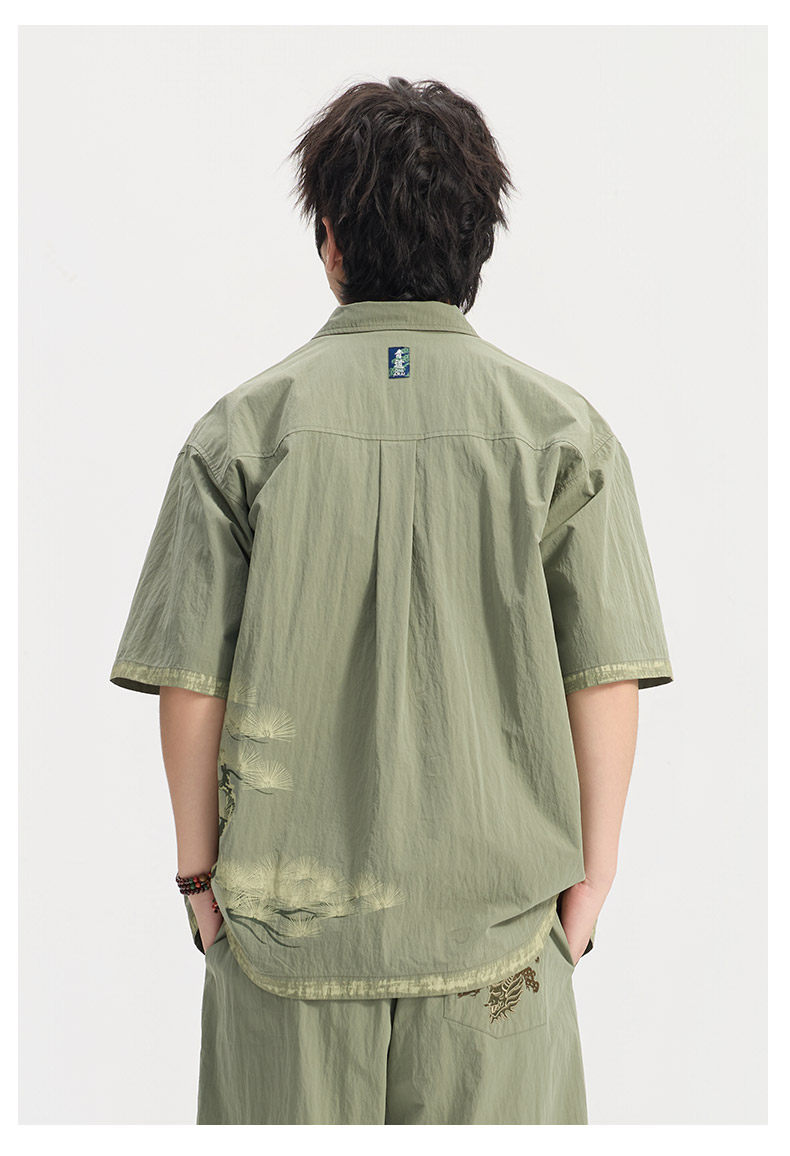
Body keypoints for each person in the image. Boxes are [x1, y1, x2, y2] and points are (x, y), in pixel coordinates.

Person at [109, 76, 674, 1125]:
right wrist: (586, 894)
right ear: (480, 244)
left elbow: (191, 685)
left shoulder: (240, 434)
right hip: (504, 958)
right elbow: (605, 676)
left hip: (281, 959)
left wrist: (199, 887)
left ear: (329, 239)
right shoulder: (565, 438)